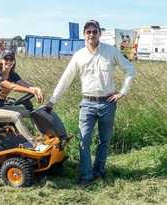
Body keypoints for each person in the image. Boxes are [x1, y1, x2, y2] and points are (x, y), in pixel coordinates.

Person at [45, 20, 136, 186]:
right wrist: (52, 101)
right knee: (83, 140)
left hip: (108, 103)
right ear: (84, 34)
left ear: (99, 33)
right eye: (88, 32)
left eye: (95, 31)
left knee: (104, 140)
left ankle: (99, 172)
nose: (92, 34)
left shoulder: (111, 51)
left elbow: (130, 70)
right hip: (87, 104)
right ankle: (86, 176)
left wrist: (122, 92)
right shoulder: (79, 56)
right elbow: (65, 80)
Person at [0, 49, 44, 147]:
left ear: (14, 61)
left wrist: (36, 89)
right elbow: (12, 87)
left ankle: (42, 137)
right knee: (16, 116)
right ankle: (34, 144)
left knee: (30, 112)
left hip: (1, 108)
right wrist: (31, 91)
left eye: (11, 59)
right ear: (2, 60)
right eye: (6, 59)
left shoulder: (12, 75)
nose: (9, 62)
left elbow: (26, 85)